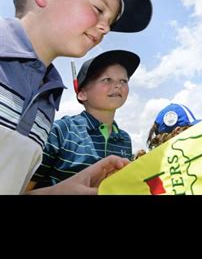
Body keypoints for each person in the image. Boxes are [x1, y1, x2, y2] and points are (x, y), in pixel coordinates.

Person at [0, 0, 152, 195]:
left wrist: (61, 190)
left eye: (110, 22)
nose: (105, 28)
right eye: (98, 9)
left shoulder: (48, 98)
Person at [29, 49, 140, 188]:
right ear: (82, 94)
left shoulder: (124, 139)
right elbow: (22, 188)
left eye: (124, 80)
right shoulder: (61, 130)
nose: (118, 85)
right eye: (107, 79)